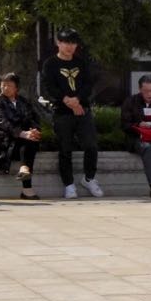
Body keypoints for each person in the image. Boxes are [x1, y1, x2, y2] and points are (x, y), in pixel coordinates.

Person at [40, 28, 102, 199]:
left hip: (83, 109)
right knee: (65, 148)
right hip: (62, 112)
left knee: (91, 145)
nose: (69, 47)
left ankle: (89, 178)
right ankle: (69, 184)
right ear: (58, 43)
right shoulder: (50, 64)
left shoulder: (81, 62)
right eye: (66, 43)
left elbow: (88, 84)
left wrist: (77, 100)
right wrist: (67, 100)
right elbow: (49, 87)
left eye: (73, 43)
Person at [0, 73, 44, 200]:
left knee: (31, 140)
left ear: (16, 88)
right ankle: (27, 187)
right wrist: (22, 133)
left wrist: (34, 130)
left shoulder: (23, 101)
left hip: (21, 141)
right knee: (27, 142)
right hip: (3, 141)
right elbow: (2, 122)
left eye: (9, 85)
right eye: (3, 85)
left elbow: (33, 118)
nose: (5, 88)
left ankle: (24, 170)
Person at [119, 75, 151, 199]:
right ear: (140, 89)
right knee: (148, 148)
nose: (150, 94)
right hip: (138, 137)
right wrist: (139, 124)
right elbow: (124, 124)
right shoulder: (131, 102)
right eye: (146, 91)